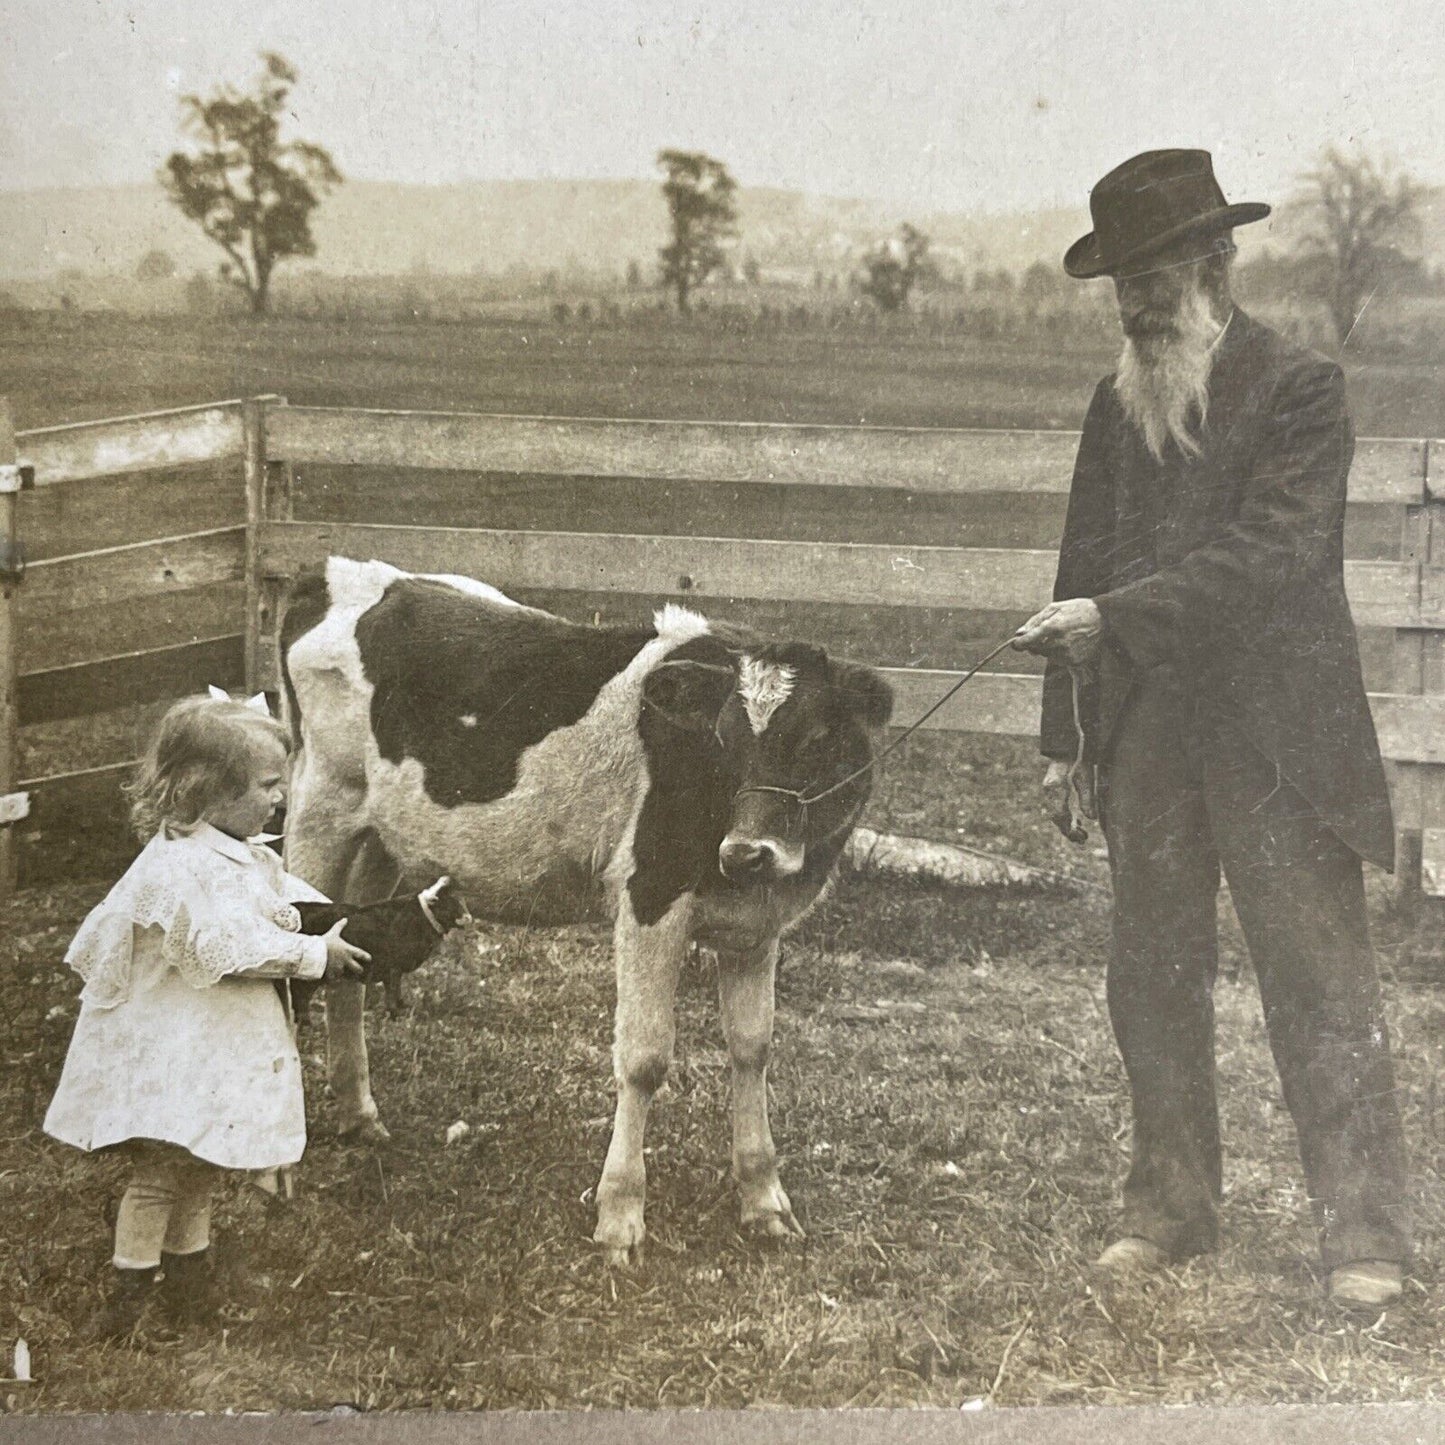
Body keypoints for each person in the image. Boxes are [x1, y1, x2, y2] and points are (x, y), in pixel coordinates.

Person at [1012, 149, 1410, 1309]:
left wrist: (1113, 617)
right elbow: (1078, 565)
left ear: (1214, 262)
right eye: (1118, 280)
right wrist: (1063, 738)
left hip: (1279, 741)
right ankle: (1168, 1208)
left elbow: (1271, 560)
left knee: (1317, 979)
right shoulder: (1114, 399)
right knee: (1149, 975)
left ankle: (1363, 1237)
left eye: (1151, 274)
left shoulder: (1298, 388)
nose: (1132, 302)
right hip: (1146, 738)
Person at [44, 694, 372, 1340]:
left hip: (206, 1042)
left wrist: (347, 919)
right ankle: (128, 1303)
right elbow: (233, 947)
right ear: (208, 790)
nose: (282, 798)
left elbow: (281, 892)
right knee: (164, 1168)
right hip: (169, 1048)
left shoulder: (237, 847)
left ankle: (187, 1286)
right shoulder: (183, 866)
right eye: (268, 785)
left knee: (202, 1160)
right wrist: (312, 953)